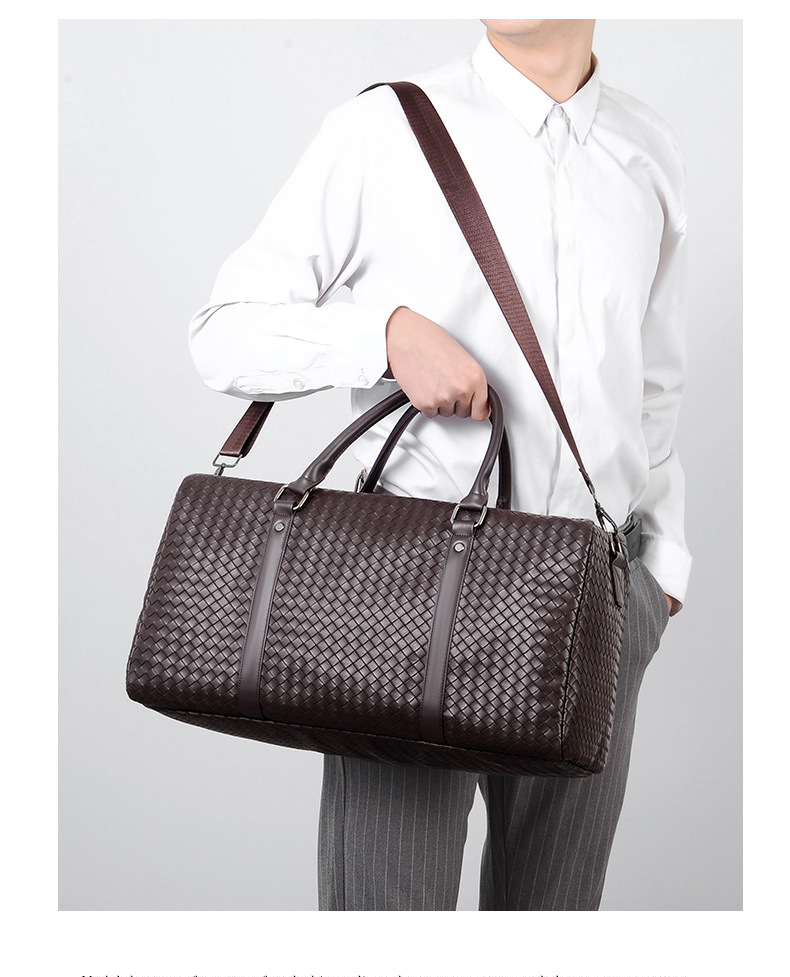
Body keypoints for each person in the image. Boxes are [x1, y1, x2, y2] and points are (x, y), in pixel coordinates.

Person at [188, 19, 691, 910]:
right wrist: (383, 337)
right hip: (412, 597)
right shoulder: (383, 128)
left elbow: (653, 382)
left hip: (597, 597)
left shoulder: (647, 149)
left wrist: (660, 577)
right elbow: (223, 334)